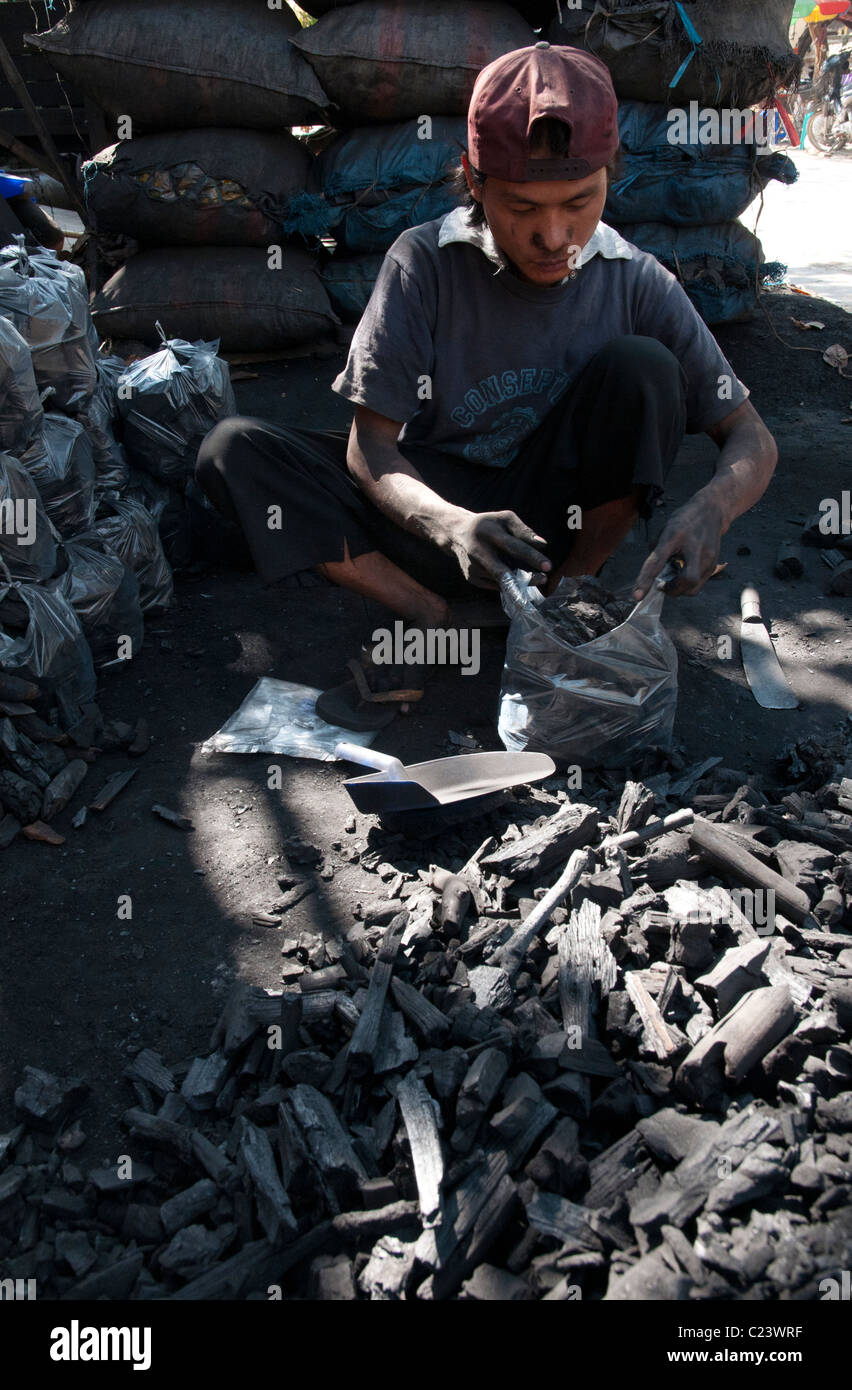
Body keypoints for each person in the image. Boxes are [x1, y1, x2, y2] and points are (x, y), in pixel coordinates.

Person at [196, 42, 777, 730]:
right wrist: (450, 524)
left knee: (645, 368)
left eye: (580, 201)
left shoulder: (635, 277)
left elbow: (752, 437)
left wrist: (714, 506)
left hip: (551, 529)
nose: (554, 235)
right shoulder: (423, 263)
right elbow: (369, 450)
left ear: (609, 176)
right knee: (234, 448)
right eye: (522, 207)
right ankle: (430, 614)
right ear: (474, 180)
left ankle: (560, 610)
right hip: (434, 515)